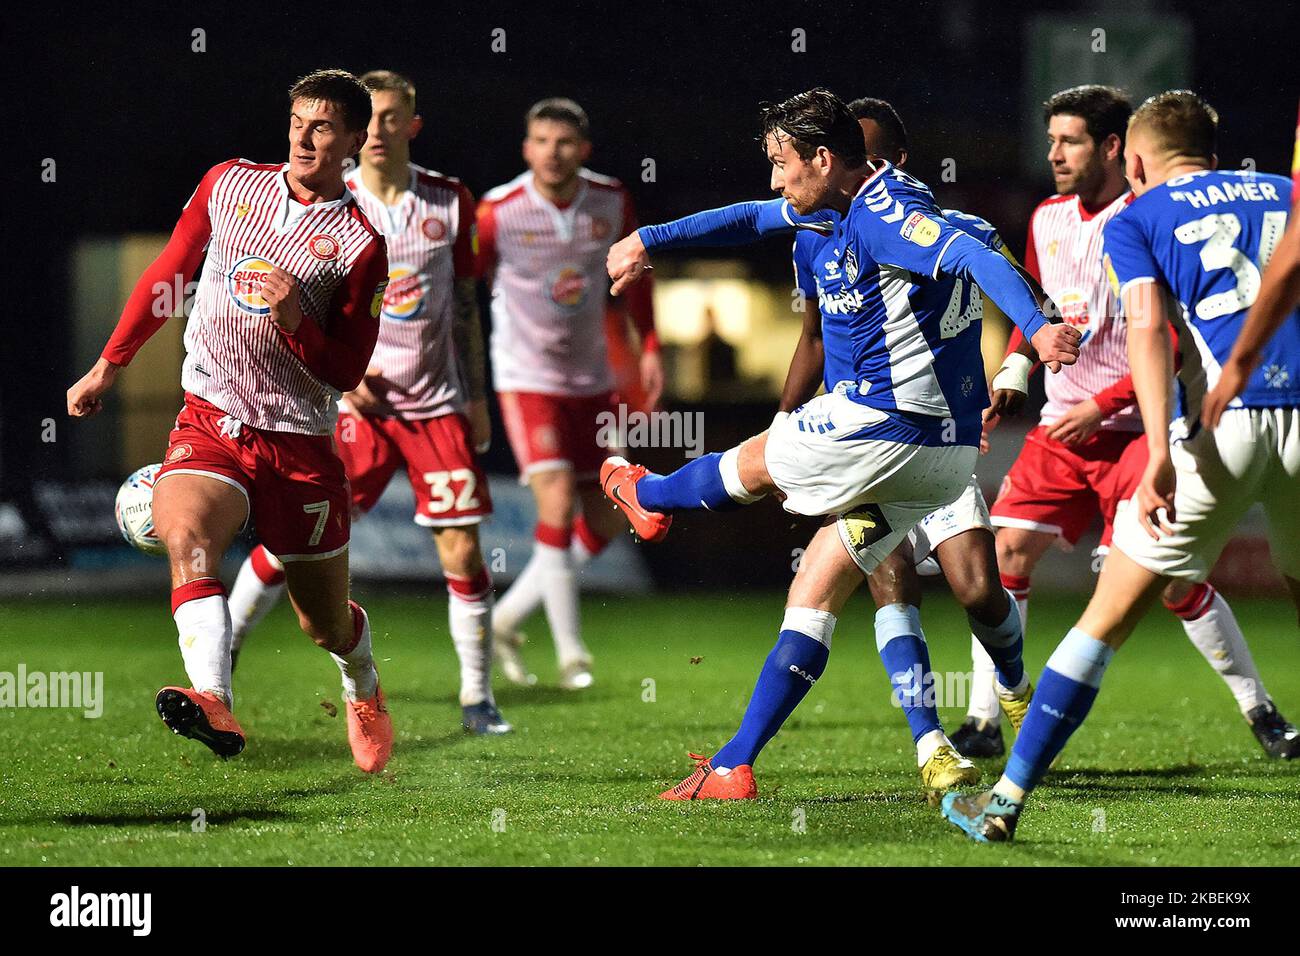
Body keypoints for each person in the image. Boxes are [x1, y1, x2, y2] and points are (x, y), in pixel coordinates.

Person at [603, 88, 1079, 799]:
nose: (775, 180)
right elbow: (748, 219)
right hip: (939, 460)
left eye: (782, 163)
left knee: (753, 466)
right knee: (817, 589)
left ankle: (643, 493)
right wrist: (649, 238)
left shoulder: (887, 215)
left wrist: (1035, 337)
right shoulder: (842, 211)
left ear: (828, 160)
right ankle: (733, 764)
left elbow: (975, 260)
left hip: (883, 425)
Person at [942, 91, 1300, 843]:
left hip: (1210, 422)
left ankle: (1005, 799)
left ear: (1130, 158)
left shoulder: (1138, 216)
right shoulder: (1287, 191)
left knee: (1103, 620)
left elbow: (1147, 330)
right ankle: (981, 715)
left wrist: (1163, 452)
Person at [65, 70, 394, 771]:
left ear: (356, 140)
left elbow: (345, 372)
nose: (305, 137)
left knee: (324, 624)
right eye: (298, 121)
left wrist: (296, 319)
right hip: (211, 420)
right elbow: (168, 276)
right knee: (185, 532)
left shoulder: (362, 244)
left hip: (299, 446)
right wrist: (109, 364)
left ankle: (362, 684)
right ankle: (214, 698)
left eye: (324, 126)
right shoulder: (230, 185)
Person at [224, 70, 511, 735]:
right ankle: (227, 649)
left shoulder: (449, 200)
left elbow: (465, 305)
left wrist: (477, 397)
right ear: (354, 130)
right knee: (301, 540)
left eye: (392, 119)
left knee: (463, 554)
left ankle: (477, 697)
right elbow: (289, 303)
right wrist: (345, 382)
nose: (378, 131)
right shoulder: (328, 200)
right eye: (370, 119)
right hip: (354, 408)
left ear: (411, 126)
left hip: (435, 403)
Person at [478, 98, 662, 690]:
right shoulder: (499, 210)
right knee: (556, 504)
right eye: (540, 141)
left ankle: (505, 618)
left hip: (592, 380)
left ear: (582, 150)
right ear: (525, 148)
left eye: (563, 142)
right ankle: (572, 654)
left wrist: (650, 345)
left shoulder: (610, 200)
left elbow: (634, 277)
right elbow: (461, 285)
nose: (551, 152)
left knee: (610, 517)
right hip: (525, 377)